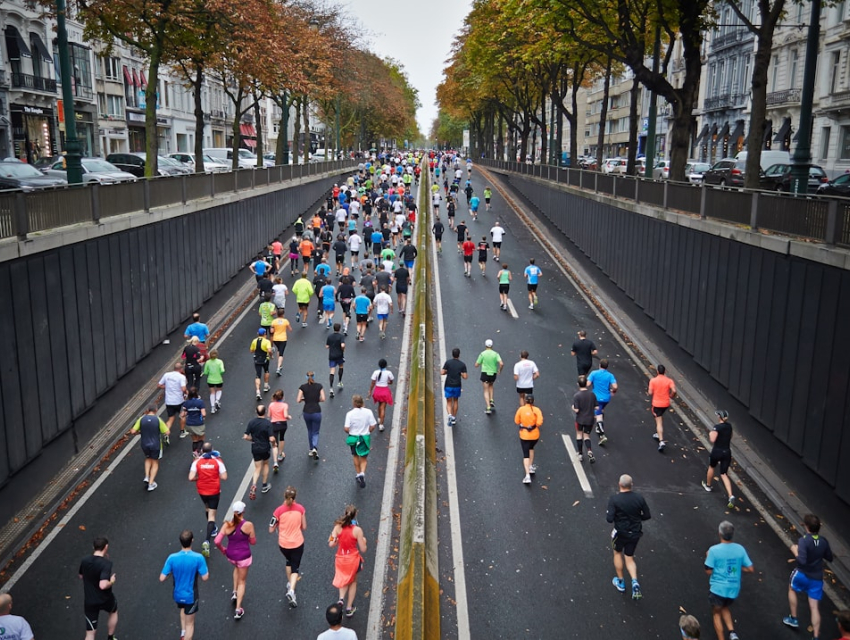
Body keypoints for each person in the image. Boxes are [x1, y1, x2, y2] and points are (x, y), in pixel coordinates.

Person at [782, 514, 834, 639]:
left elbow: (802, 561)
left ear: (806, 526)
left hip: (802, 574)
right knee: (814, 607)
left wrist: (795, 550)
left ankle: (793, 618)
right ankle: (815, 636)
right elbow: (830, 558)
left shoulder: (804, 541)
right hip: (816, 578)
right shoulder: (823, 541)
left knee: (792, 589)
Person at [705, 521, 754, 640]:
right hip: (733, 590)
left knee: (716, 613)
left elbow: (708, 571)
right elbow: (750, 569)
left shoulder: (713, 550)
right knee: (725, 606)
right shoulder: (740, 549)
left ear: (719, 534)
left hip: (718, 589)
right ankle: (732, 633)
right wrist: (737, 568)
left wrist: (707, 557)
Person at [607, 474, 651, 600]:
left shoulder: (614, 499)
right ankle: (635, 581)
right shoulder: (639, 498)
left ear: (619, 484)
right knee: (629, 558)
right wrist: (637, 519)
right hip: (635, 532)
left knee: (617, 553)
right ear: (631, 485)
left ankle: (620, 582)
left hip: (620, 532)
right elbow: (647, 515)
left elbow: (609, 519)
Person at [160, 530, 209, 640]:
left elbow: (162, 578)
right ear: (192, 541)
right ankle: (186, 635)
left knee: (182, 609)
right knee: (190, 624)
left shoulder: (172, 558)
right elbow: (205, 577)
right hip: (191, 595)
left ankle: (183, 633)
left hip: (177, 594)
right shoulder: (198, 558)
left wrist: (172, 571)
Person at [214, 501, 256, 620]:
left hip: (231, 556)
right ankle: (238, 609)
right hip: (244, 557)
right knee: (242, 581)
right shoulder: (248, 525)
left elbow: (217, 541)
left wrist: (223, 550)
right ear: (243, 512)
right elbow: (253, 542)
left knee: (236, 568)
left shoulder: (227, 524)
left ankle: (234, 592)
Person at [270, 486, 307, 608]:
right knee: (295, 568)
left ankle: (289, 583)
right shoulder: (300, 509)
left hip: (283, 544)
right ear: (295, 497)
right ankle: (291, 590)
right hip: (297, 543)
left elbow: (271, 528)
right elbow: (304, 526)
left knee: (288, 561)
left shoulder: (278, 511)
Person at [189, 442, 227, 557]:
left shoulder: (197, 462)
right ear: (212, 450)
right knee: (212, 515)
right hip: (214, 490)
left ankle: (213, 528)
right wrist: (214, 475)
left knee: (207, 508)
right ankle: (207, 540)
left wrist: (199, 478)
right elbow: (224, 477)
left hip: (202, 490)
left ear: (201, 451)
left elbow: (191, 477)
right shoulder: (217, 461)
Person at [329, 505, 368, 618]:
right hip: (352, 560)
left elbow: (331, 543)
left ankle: (341, 599)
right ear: (355, 515)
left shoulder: (337, 527)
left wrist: (335, 539)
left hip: (340, 559)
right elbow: (363, 549)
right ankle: (349, 608)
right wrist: (364, 540)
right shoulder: (357, 530)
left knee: (343, 578)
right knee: (353, 581)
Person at [80, 537, 118, 640]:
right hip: (105, 598)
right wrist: (112, 581)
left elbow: (81, 575)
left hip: (90, 601)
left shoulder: (85, 560)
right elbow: (103, 585)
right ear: (106, 547)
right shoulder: (106, 564)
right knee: (113, 611)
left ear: (93, 547)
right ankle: (110, 637)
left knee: (90, 633)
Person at [130, 406, 169, 491]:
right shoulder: (158, 419)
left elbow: (132, 431)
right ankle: (151, 484)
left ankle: (147, 476)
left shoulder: (141, 419)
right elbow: (167, 432)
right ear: (156, 410)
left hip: (144, 444)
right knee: (155, 462)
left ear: (147, 410)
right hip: (156, 445)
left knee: (148, 458)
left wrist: (139, 432)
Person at [702, 410, 735, 509]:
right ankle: (730, 495)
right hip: (727, 452)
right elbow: (731, 436)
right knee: (724, 474)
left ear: (719, 417)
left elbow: (712, 439)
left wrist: (711, 432)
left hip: (717, 452)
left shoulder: (717, 427)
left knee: (712, 467)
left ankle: (708, 485)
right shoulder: (729, 427)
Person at [345, 395, 378, 487]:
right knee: (363, 457)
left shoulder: (350, 414)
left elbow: (346, 428)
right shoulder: (368, 412)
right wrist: (368, 431)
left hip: (354, 437)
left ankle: (358, 473)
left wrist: (351, 431)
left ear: (354, 403)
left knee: (355, 455)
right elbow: (373, 425)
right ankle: (362, 473)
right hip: (364, 437)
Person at [244, 405, 276, 499]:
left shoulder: (251, 422)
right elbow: (271, 438)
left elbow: (245, 436)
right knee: (265, 464)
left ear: (256, 412)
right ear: (265, 412)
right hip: (265, 447)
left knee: (257, 468)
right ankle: (264, 485)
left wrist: (252, 440)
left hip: (255, 448)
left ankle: (254, 484)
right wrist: (274, 443)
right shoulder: (267, 423)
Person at [587, 359, 618, 447]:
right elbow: (615, 386)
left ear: (600, 365)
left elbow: (588, 384)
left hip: (596, 398)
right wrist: (613, 391)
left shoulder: (594, 373)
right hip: (606, 398)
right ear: (607, 366)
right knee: (601, 410)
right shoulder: (610, 375)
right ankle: (598, 427)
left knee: (598, 415)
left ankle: (602, 434)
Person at [515, 394, 543, 485]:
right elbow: (539, 422)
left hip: (524, 435)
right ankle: (531, 466)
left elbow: (516, 421)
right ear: (533, 401)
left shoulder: (521, 409)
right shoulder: (537, 410)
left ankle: (527, 476)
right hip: (535, 435)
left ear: (526, 401)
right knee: (531, 448)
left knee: (525, 454)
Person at [647, 364, 677, 452]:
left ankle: (661, 441)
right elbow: (674, 390)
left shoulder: (653, 380)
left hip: (657, 404)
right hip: (666, 403)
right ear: (665, 372)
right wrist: (671, 395)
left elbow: (650, 392)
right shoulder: (669, 381)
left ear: (657, 371)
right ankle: (658, 434)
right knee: (660, 417)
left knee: (659, 422)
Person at [298, 372, 326, 460]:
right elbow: (323, 399)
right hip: (316, 411)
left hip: (306, 411)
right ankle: (315, 447)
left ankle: (310, 449)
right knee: (316, 431)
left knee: (309, 430)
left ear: (306, 377)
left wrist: (305, 399)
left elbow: (298, 399)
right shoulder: (319, 386)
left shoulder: (302, 387)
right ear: (314, 376)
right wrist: (316, 399)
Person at [573, 375, 598, 463]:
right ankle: (589, 450)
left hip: (580, 419)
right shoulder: (592, 394)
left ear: (578, 384)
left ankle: (580, 454)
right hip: (590, 419)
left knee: (579, 434)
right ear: (586, 384)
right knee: (586, 436)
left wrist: (573, 407)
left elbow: (576, 410)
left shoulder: (577, 396)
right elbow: (597, 407)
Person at [475, 339, 503, 415]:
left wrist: (481, 363)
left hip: (485, 373)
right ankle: (491, 399)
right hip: (493, 373)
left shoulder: (482, 354)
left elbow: (476, 364)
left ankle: (488, 407)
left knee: (485, 390)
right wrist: (499, 370)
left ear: (485, 345)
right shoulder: (496, 354)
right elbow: (501, 363)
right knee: (491, 385)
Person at [158, 362, 187, 438]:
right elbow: (183, 388)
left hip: (169, 401)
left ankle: (166, 433)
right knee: (182, 416)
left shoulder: (166, 375)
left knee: (171, 418)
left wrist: (166, 387)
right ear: (181, 369)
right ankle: (182, 432)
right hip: (179, 401)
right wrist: (186, 392)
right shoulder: (181, 377)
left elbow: (159, 385)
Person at [442, 347, 468, 427]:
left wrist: (448, 372)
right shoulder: (462, 364)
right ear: (459, 355)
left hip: (448, 385)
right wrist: (460, 373)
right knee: (455, 401)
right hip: (457, 385)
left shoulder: (448, 363)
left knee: (449, 402)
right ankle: (453, 417)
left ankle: (449, 415)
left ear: (452, 354)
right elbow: (465, 377)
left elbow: (442, 372)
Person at [368, 359, 395, 432]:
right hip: (385, 391)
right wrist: (388, 382)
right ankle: (381, 424)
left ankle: (379, 418)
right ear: (386, 365)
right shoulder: (388, 373)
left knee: (379, 405)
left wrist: (370, 391)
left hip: (377, 391)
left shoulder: (375, 372)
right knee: (383, 407)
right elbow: (391, 381)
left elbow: (373, 383)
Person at [180, 387, 207, 458]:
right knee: (201, 438)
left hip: (189, 423)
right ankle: (197, 451)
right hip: (198, 423)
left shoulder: (186, 403)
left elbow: (183, 414)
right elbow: (204, 414)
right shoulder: (200, 402)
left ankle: (194, 452)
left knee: (194, 439)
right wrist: (203, 416)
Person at [269, 390, 291, 471]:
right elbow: (285, 415)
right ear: (282, 397)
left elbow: (269, 415)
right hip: (282, 424)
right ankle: (280, 455)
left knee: (274, 444)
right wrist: (288, 417)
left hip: (274, 424)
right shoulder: (284, 405)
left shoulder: (271, 405)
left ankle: (275, 462)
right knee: (281, 438)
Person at [250, 328, 273, 401]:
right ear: (265, 334)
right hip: (265, 359)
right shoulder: (267, 341)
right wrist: (271, 355)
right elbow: (269, 350)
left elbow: (251, 350)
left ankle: (258, 391)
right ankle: (266, 386)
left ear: (258, 334)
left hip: (257, 359)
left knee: (258, 375)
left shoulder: (254, 341)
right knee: (266, 371)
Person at [270, 308, 292, 377]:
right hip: (283, 339)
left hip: (275, 339)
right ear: (283, 314)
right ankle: (278, 368)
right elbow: (290, 329)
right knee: (281, 354)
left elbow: (271, 331)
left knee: (279, 350)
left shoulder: (274, 321)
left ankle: (279, 364)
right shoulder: (285, 321)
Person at [203, 349, 225, 413]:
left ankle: (212, 407)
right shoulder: (220, 362)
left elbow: (205, 372)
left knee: (212, 392)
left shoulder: (208, 362)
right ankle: (217, 400)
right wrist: (219, 373)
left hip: (210, 380)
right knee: (219, 390)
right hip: (218, 379)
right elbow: (222, 370)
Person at [326, 323, 346, 397]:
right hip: (339, 355)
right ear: (339, 329)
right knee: (341, 367)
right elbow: (342, 345)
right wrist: (343, 350)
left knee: (332, 371)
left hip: (332, 355)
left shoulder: (330, 336)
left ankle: (331, 388)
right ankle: (340, 381)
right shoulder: (341, 336)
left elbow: (327, 346)